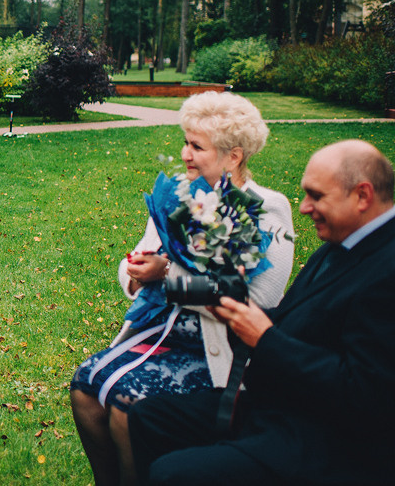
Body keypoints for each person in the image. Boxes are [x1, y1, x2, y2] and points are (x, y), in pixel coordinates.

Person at [129, 139, 395, 486]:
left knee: (171, 474)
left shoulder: (386, 269)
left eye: (316, 196)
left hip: (325, 439)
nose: (303, 207)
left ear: (362, 196)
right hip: (281, 404)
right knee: (149, 417)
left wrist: (264, 337)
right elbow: (296, 319)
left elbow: (365, 394)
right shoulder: (341, 244)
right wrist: (233, 307)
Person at [70, 91, 294, 486]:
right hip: (160, 332)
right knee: (84, 387)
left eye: (197, 146)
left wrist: (167, 275)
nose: (185, 155)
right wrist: (138, 271)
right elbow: (138, 260)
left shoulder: (266, 208)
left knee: (127, 406)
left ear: (234, 156)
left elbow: (258, 302)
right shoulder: (179, 194)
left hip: (222, 350)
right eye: (185, 143)